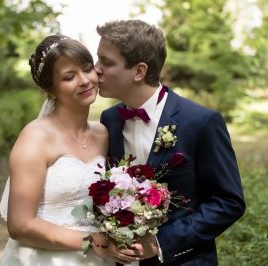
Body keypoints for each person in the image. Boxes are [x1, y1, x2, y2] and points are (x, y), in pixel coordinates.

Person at [96, 20, 246, 265]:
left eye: (106, 62)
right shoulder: (109, 120)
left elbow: (229, 202)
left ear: (139, 71)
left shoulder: (201, 121)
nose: (96, 69)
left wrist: (160, 243)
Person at [0, 34, 138, 266]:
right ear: (51, 90)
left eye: (87, 69)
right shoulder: (36, 137)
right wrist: (91, 240)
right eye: (69, 77)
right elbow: (19, 226)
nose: (84, 80)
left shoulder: (102, 134)